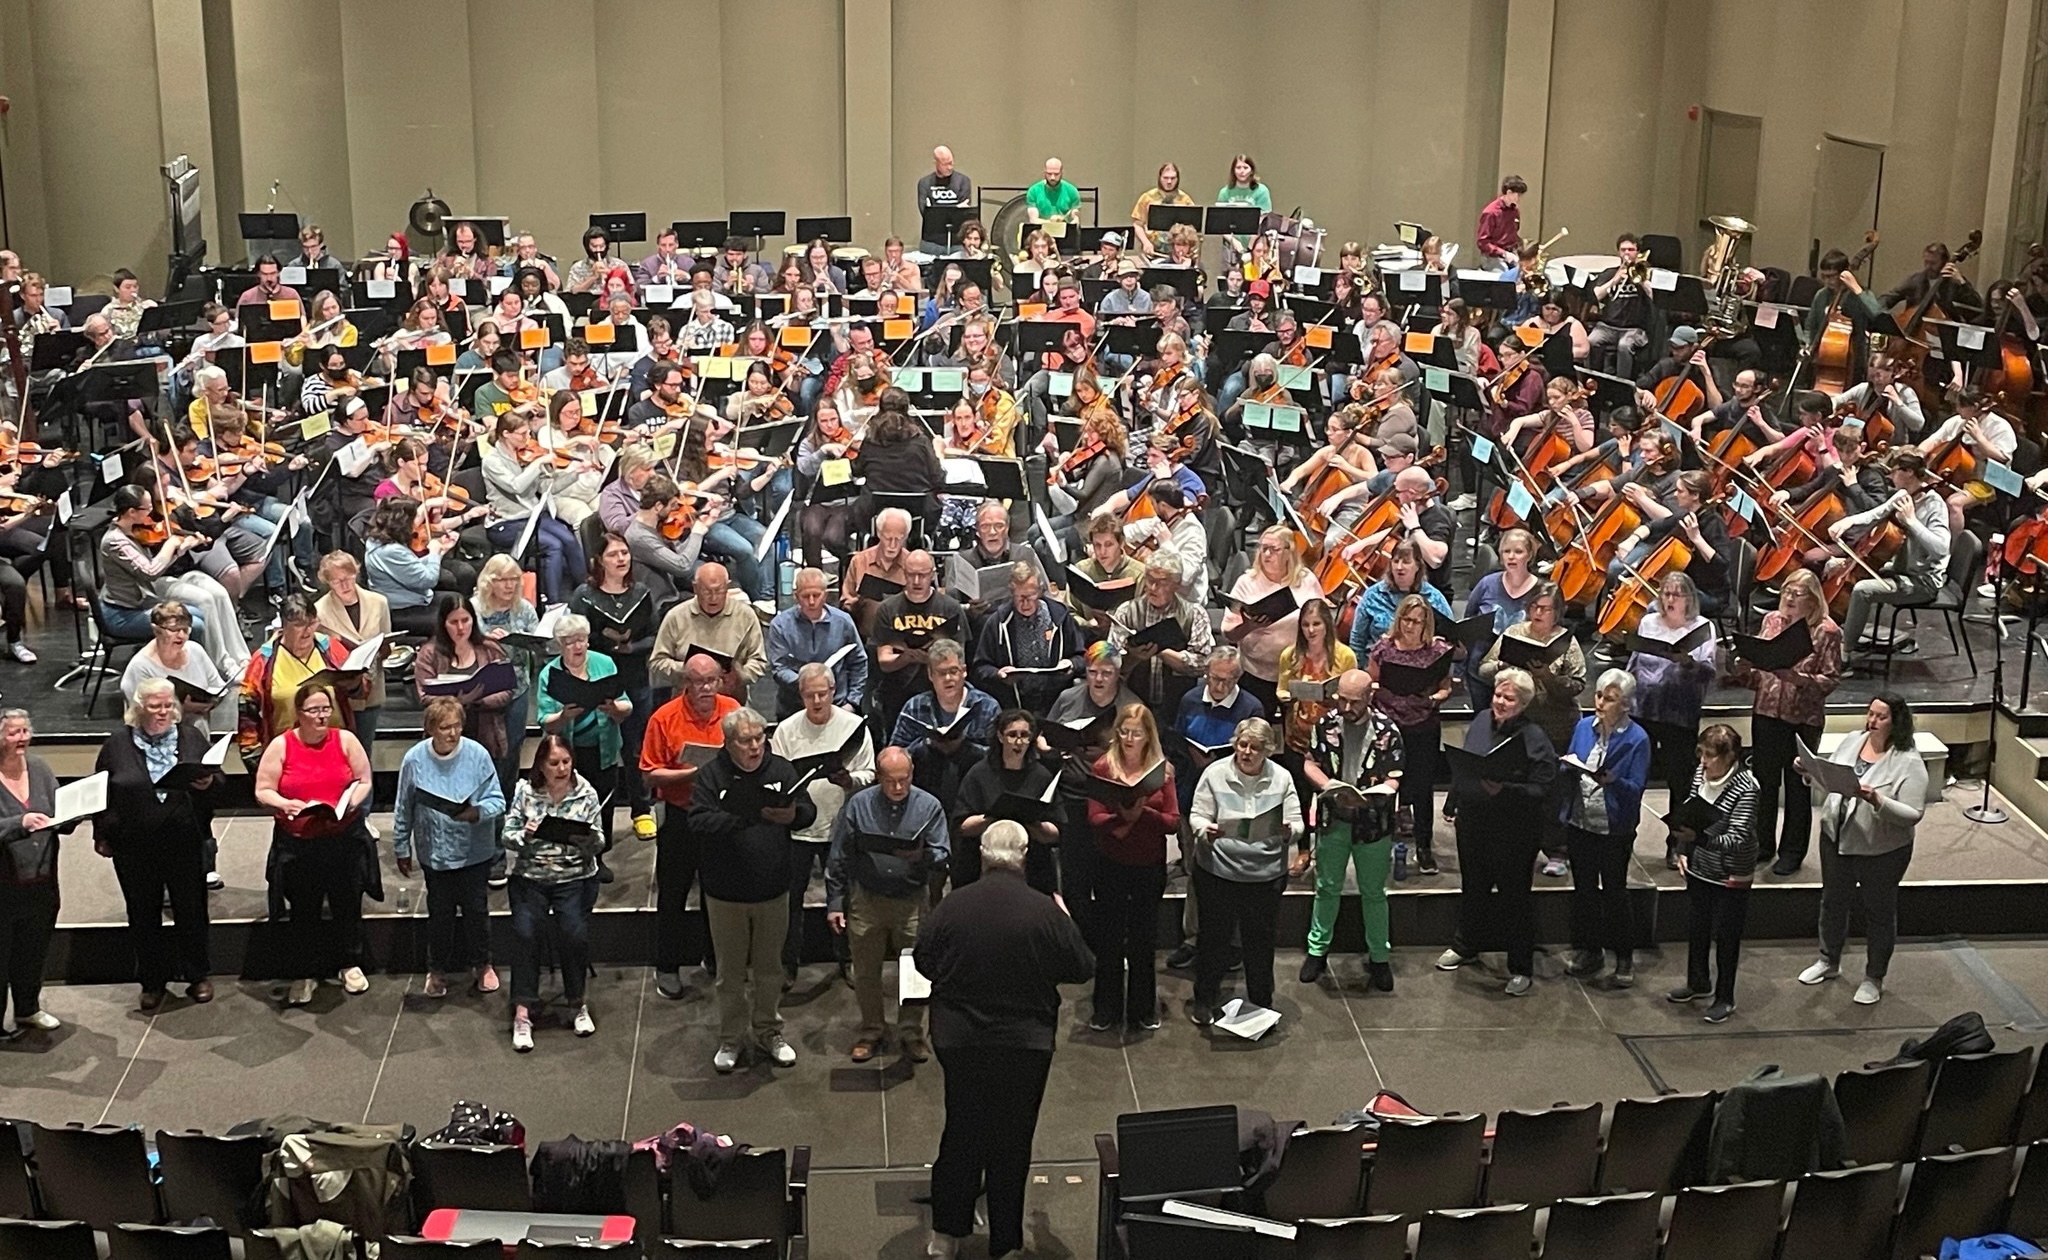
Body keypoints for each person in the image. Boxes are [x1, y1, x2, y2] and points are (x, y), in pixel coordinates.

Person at [916, 819, 1093, 1260]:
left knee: (961, 1131)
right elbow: (1082, 967)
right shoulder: (1044, 910)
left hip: (960, 1040)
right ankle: (1006, 1243)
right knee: (1012, 1140)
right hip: (1023, 1044)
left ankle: (947, 1235)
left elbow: (922, 961)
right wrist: (1066, 921)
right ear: (1026, 855)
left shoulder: (954, 906)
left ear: (982, 856)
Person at [690, 707, 814, 1072]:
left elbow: (806, 809)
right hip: (725, 892)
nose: (755, 746)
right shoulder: (712, 775)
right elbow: (697, 819)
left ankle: (769, 1030)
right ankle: (731, 1037)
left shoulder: (780, 770)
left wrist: (791, 816)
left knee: (770, 968)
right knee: (729, 972)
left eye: (760, 738)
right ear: (728, 744)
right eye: (746, 741)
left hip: (773, 888)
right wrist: (741, 817)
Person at [95, 679, 219, 1012]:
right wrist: (102, 835)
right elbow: (101, 794)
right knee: (143, 913)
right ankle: (152, 981)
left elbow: (215, 784)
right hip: (134, 847)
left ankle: (197, 975)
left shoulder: (191, 738)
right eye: (155, 706)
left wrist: (207, 784)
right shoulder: (117, 745)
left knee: (191, 909)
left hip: (184, 842)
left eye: (167, 706)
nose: (163, 712)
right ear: (138, 708)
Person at [252, 680, 374, 1006]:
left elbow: (365, 779)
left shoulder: (345, 739)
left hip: (341, 837)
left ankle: (350, 962)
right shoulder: (283, 745)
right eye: (314, 710)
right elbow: (263, 789)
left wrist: (351, 802)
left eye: (325, 709)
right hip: (299, 843)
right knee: (304, 909)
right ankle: (305, 973)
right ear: (299, 713)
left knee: (347, 901)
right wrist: (283, 804)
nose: (321, 717)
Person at [1800, 693, 1926, 1006]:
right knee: (1832, 902)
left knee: (1879, 913)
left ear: (1896, 722)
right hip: (1836, 839)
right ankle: (1829, 961)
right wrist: (1809, 772)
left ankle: (1874, 977)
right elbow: (1833, 782)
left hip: (1881, 851)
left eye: (1880, 717)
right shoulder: (1853, 741)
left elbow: (1913, 814)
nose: (1871, 722)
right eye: (1870, 714)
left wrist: (1877, 800)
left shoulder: (1908, 761)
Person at [1436, 668, 1556, 994]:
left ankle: (1520, 966)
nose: (1500, 702)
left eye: (1509, 698)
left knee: (1514, 897)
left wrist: (1505, 790)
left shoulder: (1534, 739)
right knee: (1473, 887)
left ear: (1524, 703)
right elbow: (1467, 764)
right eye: (1498, 695)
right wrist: (1453, 801)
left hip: (1514, 830)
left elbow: (1544, 789)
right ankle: (1466, 945)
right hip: (1474, 822)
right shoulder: (1480, 720)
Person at [826, 746, 948, 1063]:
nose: (897, 787)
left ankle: (912, 1032)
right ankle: (872, 1030)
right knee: (865, 970)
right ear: (878, 777)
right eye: (890, 781)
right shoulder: (858, 805)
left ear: (912, 775)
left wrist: (922, 855)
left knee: (915, 971)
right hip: (867, 897)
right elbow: (839, 856)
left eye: (904, 780)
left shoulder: (929, 805)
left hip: (911, 899)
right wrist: (835, 902)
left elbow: (943, 852)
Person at [1187, 717, 1303, 1027]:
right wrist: (1204, 829)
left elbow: (1299, 823)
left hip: (1263, 876)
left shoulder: (1281, 778)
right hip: (1218, 872)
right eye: (1242, 745)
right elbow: (1197, 814)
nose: (1246, 752)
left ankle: (1261, 1006)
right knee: (1214, 940)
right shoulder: (1215, 773)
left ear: (1267, 750)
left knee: (1259, 944)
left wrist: (1287, 831)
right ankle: (1204, 999)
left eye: (1254, 747)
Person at [393, 697, 508, 999]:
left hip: (473, 852)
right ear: (431, 728)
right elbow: (404, 805)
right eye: (445, 727)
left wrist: (476, 812)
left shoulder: (477, 755)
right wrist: (401, 844)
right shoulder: (415, 759)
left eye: (457, 726)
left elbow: (498, 800)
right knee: (440, 914)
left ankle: (483, 964)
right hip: (436, 853)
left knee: (476, 911)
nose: (453, 733)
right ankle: (437, 969)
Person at [1731, 568, 1843, 877]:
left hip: (1802, 719)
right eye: (1787, 592)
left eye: (1798, 594)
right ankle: (1762, 845)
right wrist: (1743, 669)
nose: (1790, 599)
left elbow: (1832, 679)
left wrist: (1799, 679)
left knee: (1796, 787)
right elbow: (1760, 675)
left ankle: (1792, 852)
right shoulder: (1771, 622)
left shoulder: (1827, 631)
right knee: (1764, 784)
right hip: (1766, 712)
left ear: (1813, 599)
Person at [643, 652, 741, 997]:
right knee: (673, 893)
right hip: (680, 816)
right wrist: (692, 774)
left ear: (721, 681)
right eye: (698, 682)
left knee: (720, 892)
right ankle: (667, 966)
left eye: (711, 681)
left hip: (721, 816)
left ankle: (715, 959)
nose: (705, 688)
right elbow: (648, 773)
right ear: (686, 683)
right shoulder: (663, 718)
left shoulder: (733, 712)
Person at [1301, 670, 1404, 988]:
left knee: (1374, 892)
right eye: (1341, 699)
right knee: (1327, 887)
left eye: (1353, 701)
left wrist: (1376, 794)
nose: (1345, 707)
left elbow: (1394, 776)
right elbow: (1309, 763)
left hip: (1373, 823)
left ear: (1369, 698)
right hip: (1335, 818)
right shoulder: (1326, 723)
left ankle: (1379, 957)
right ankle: (1316, 952)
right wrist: (1329, 785)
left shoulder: (1388, 730)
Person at [772, 663, 875, 982]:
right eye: (809, 695)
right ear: (800, 695)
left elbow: (870, 773)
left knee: (844, 898)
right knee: (790, 900)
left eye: (823, 693)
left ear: (833, 692)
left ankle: (847, 958)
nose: (817, 701)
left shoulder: (853, 726)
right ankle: (789, 963)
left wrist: (848, 780)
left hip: (840, 827)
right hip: (798, 829)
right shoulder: (787, 730)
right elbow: (774, 778)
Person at [504, 734, 604, 1050]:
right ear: (541, 766)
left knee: (573, 932)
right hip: (531, 876)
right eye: (554, 763)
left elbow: (599, 840)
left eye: (566, 762)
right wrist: (526, 834)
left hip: (573, 876)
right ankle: (523, 1012)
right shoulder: (525, 791)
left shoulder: (585, 792)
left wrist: (586, 841)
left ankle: (577, 1002)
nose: (561, 769)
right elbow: (507, 836)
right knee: (525, 932)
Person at [1086, 703, 1177, 1030]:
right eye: (1123, 731)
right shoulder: (1103, 767)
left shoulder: (1162, 771)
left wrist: (1143, 814)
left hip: (1148, 866)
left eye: (1136, 733)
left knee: (1143, 939)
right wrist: (1125, 818)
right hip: (1111, 864)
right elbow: (1094, 818)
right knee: (1109, 939)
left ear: (1147, 735)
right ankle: (1106, 1009)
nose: (1128, 738)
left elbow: (1172, 821)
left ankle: (1142, 1008)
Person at [1561, 670, 1651, 987]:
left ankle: (1623, 958)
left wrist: (1614, 781)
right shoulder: (1584, 727)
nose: (1600, 702)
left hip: (1614, 828)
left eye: (1610, 699)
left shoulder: (1637, 738)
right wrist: (1568, 766)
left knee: (1614, 893)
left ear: (1625, 705)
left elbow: (1637, 786)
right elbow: (1572, 759)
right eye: (1599, 696)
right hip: (1581, 822)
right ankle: (1591, 950)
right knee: (1584, 891)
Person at [1667, 723, 1760, 1023]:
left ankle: (1725, 997)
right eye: (1701, 754)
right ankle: (1698, 982)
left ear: (1730, 756)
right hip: (1700, 863)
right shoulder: (1699, 774)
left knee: (1727, 936)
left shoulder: (1747, 788)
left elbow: (1738, 837)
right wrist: (1683, 849)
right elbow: (1690, 814)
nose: (1703, 762)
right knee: (1698, 926)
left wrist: (1700, 840)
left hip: (1731, 871)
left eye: (1710, 756)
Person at [1829, 449, 1952, 673]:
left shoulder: (1935, 505)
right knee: (1832, 565)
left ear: (1910, 473)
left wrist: (1913, 522)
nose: (1890, 476)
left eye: (1895, 471)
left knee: (1862, 589)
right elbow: (1875, 514)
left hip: (1923, 581)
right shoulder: (1903, 495)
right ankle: (1833, 632)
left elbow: (1941, 550)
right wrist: (1846, 522)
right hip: (1900, 569)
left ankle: (1845, 653)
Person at [570, 534, 660, 838]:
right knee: (595, 751)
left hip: (634, 679)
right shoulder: (584, 596)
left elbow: (654, 636)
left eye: (625, 553)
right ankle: (590, 813)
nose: (621, 559)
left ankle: (642, 810)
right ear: (599, 561)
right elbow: (575, 636)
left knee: (635, 749)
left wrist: (630, 647)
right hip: (597, 682)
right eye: (613, 554)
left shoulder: (642, 593)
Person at [1625, 573, 1719, 860]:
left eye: (1676, 594)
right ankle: (1625, 838)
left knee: (1680, 781)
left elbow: (1710, 672)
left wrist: (1689, 664)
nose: (1669, 599)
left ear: (1689, 598)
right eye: (1666, 593)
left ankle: (1677, 845)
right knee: (1635, 777)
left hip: (1680, 713)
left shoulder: (1703, 628)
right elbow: (1635, 662)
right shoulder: (1649, 622)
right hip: (1644, 710)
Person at [1365, 595, 1453, 873]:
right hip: (1389, 724)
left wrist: (1435, 697)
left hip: (1423, 723)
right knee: (1385, 784)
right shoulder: (1383, 648)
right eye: (1406, 619)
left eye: (1417, 621)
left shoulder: (1437, 650)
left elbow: (1445, 687)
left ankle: (1424, 846)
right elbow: (1372, 682)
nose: (1411, 626)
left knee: (1423, 786)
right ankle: (1380, 843)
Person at [0, 710, 62, 1035]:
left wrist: (70, 816)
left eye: (25, 731)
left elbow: (55, 806)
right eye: (13, 733)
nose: (22, 738)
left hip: (41, 879)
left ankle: (28, 1009)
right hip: (3, 885)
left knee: (33, 950)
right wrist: (18, 824)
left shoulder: (39, 768)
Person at [952, 709, 1061, 893]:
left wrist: (1032, 824)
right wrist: (994, 818)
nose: (1018, 742)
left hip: (1031, 866)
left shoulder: (1041, 776)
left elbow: (1056, 831)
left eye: (1024, 735)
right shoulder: (979, 774)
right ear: (1000, 737)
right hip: (984, 865)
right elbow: (962, 826)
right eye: (1012, 735)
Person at [1220, 527, 1324, 714]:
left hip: (1297, 671)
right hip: (1256, 672)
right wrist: (1250, 625)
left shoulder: (1306, 580)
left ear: (1289, 551)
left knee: (1296, 729)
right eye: (1262, 548)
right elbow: (1228, 633)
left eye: (1273, 549)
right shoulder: (1247, 582)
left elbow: (1322, 621)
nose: (1266, 554)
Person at [890, 639, 1000, 803]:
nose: (948, 678)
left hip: (973, 788)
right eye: (941, 673)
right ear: (930, 675)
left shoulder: (987, 706)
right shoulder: (914, 707)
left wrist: (965, 747)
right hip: (924, 788)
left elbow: (999, 757)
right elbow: (894, 755)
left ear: (964, 671)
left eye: (953, 671)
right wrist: (925, 745)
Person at [971, 563, 1084, 713]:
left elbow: (1081, 657)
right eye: (1020, 598)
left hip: (1056, 705)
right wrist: (998, 675)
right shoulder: (997, 622)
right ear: (1012, 593)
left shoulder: (1059, 617)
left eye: (1030, 596)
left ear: (1040, 591)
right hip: (1014, 708)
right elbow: (980, 668)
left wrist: (1071, 664)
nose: (1025, 604)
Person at [314, 553, 391, 767]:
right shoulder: (320, 611)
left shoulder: (378, 602)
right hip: (341, 695)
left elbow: (387, 642)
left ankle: (363, 800)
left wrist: (383, 649)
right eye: (337, 581)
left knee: (364, 753)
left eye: (348, 577)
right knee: (338, 754)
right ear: (327, 582)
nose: (344, 584)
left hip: (372, 688)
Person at [649, 562, 768, 699]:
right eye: (706, 591)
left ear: (728, 587)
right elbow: (657, 662)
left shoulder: (745, 615)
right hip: (686, 699)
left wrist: (740, 676)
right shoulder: (676, 616)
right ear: (695, 588)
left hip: (732, 699)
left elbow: (758, 661)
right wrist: (691, 671)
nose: (713, 597)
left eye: (719, 590)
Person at [768, 568, 867, 717]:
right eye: (805, 596)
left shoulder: (843, 622)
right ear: (796, 596)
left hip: (838, 707)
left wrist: (852, 702)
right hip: (794, 709)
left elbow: (858, 663)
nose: (812, 601)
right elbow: (779, 668)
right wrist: (809, 682)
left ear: (826, 595)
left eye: (816, 595)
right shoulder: (780, 625)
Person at [917, 145, 973, 255]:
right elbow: (926, 212)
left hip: (957, 241)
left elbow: (963, 212)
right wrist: (956, 207)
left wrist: (936, 208)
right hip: (932, 240)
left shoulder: (963, 181)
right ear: (936, 163)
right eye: (945, 164)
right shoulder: (925, 183)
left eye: (951, 162)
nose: (950, 167)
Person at [1476, 175, 1527, 273]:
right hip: (1492, 257)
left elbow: (1513, 235)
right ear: (1509, 193)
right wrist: (1503, 253)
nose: (1520, 198)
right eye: (1518, 195)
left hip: (1511, 254)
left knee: (1525, 273)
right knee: (1504, 277)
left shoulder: (1514, 211)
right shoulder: (1491, 212)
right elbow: (1482, 242)